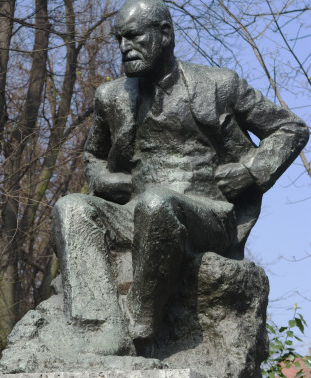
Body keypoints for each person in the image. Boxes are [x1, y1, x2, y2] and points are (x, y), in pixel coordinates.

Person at [52, 0, 308, 355]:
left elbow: (290, 128)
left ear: (165, 34)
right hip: (135, 211)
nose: (125, 48)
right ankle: (99, 328)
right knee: (71, 207)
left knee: (158, 203)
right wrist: (103, 181)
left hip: (209, 215)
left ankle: (141, 327)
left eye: (134, 37)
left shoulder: (219, 85)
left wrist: (251, 171)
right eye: (119, 40)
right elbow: (93, 156)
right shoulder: (111, 97)